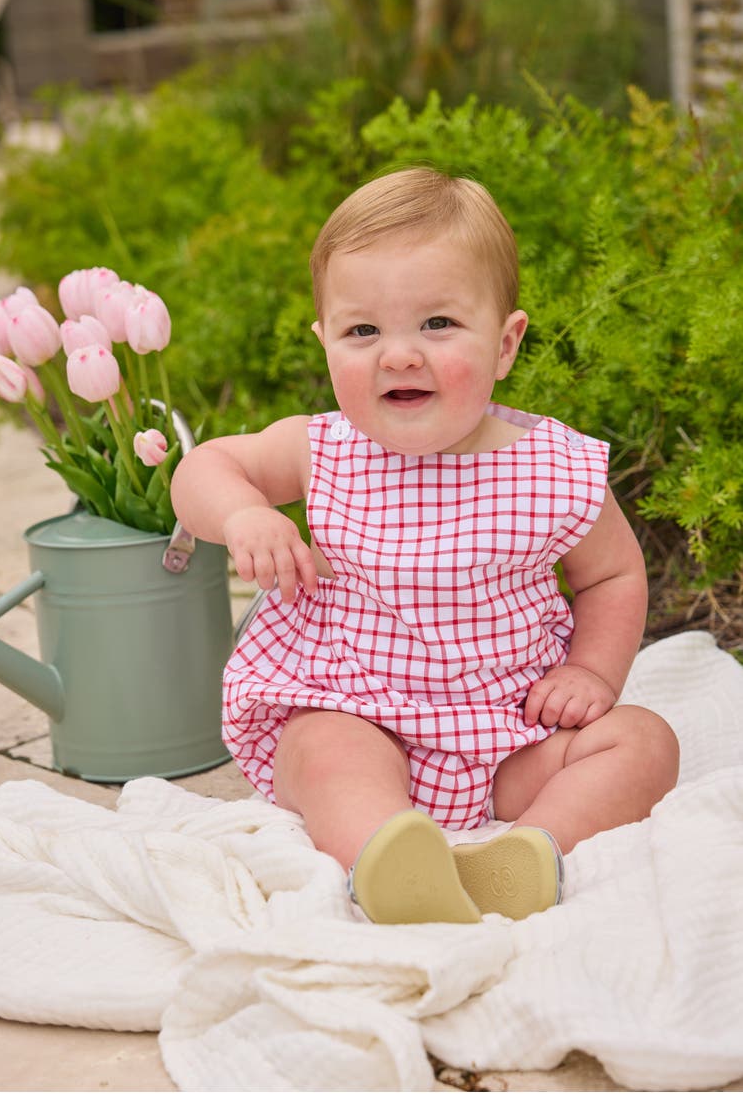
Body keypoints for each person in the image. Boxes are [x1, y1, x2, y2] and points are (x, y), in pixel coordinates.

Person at [171, 168, 679, 925]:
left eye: (437, 324)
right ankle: (385, 857)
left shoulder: (553, 466)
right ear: (326, 343)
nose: (399, 355)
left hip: (512, 731)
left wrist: (591, 672)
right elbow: (204, 465)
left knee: (644, 743)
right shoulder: (324, 448)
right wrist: (243, 513)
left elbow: (611, 575)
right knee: (316, 749)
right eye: (363, 330)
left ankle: (530, 854)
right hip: (361, 710)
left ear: (504, 344)